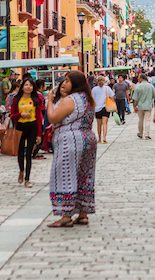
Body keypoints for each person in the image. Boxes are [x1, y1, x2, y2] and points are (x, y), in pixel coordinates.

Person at [47, 71, 97, 227]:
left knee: (65, 176)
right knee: (85, 176)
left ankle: (66, 216)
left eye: (68, 81)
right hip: (88, 139)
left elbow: (53, 117)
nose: (64, 83)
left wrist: (49, 100)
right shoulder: (87, 98)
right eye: (64, 80)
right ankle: (83, 214)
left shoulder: (71, 100)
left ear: (75, 83)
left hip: (70, 140)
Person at [10, 75, 43, 187]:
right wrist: (21, 114)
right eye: (26, 85)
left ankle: (27, 179)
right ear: (22, 87)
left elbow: (38, 118)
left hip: (32, 126)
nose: (28, 87)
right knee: (20, 152)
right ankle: (21, 170)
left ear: (33, 87)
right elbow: (12, 116)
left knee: (29, 153)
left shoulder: (36, 100)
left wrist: (39, 134)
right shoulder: (16, 100)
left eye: (30, 85)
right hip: (20, 126)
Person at [133, 74, 155, 140]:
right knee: (147, 120)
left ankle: (140, 133)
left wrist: (135, 106)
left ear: (141, 78)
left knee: (140, 120)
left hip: (140, 106)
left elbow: (135, 98)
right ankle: (147, 134)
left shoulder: (138, 87)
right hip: (148, 105)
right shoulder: (151, 86)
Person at [91, 76, 114, 144]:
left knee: (99, 124)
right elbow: (112, 96)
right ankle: (104, 137)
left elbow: (92, 99)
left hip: (97, 108)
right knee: (105, 124)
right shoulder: (107, 88)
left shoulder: (94, 89)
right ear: (104, 81)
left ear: (97, 82)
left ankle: (99, 139)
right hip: (105, 107)